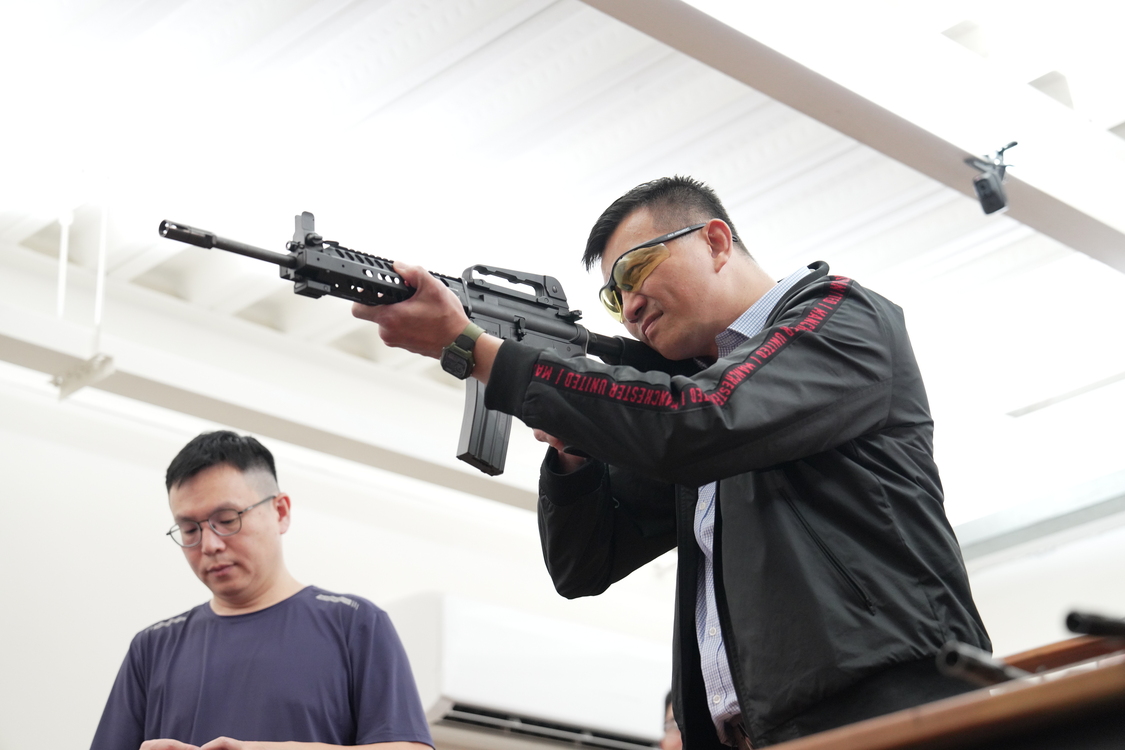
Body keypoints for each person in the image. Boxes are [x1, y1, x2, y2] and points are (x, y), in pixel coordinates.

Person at [351, 176, 991, 748]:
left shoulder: (843, 316)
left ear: (715, 241)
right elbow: (585, 563)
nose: (629, 306)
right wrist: (574, 447)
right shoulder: (705, 408)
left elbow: (698, 419)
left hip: (887, 706)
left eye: (636, 271)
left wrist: (477, 348)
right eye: (613, 296)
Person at [91, 431, 434, 750]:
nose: (209, 545)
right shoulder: (152, 648)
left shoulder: (354, 624)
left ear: (280, 512)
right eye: (190, 529)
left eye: (227, 520)